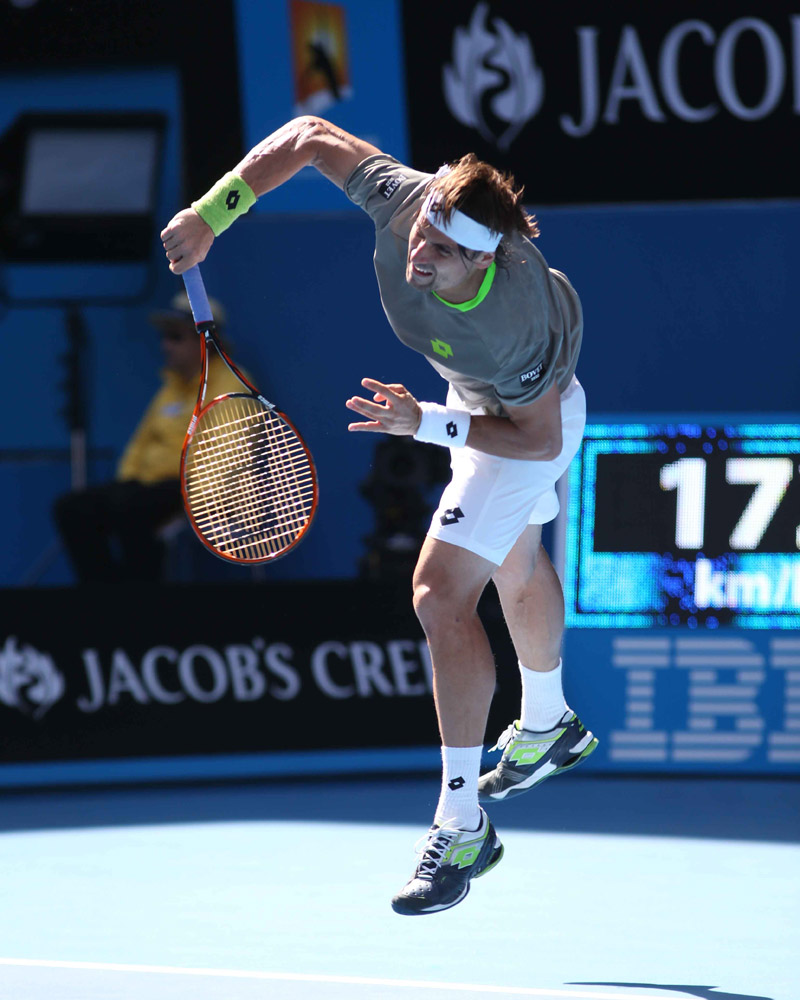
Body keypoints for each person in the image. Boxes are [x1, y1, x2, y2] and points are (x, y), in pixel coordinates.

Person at [160, 116, 599, 915]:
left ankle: (461, 825)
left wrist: (426, 422)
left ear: (481, 260)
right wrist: (213, 212)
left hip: (527, 417)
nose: (419, 250)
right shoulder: (407, 202)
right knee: (515, 561)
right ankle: (547, 723)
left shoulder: (514, 321)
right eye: (424, 228)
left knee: (439, 595)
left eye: (442, 249)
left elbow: (538, 440)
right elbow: (309, 135)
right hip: (481, 394)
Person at [52, 292, 242, 584]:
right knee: (72, 509)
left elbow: (227, 460)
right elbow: (140, 444)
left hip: (193, 491)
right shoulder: (170, 389)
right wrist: (128, 481)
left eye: (175, 337)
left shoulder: (231, 386)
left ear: (205, 341)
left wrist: (192, 500)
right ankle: (105, 598)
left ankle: (142, 601)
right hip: (148, 486)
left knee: (129, 511)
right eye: (164, 337)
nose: (166, 345)